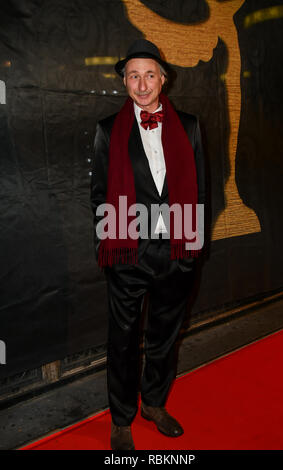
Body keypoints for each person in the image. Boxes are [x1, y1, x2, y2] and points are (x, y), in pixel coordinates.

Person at [90, 39, 205, 450]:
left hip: (176, 252)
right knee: (122, 339)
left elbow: (200, 192)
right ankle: (121, 419)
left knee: (165, 336)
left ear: (164, 79)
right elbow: (99, 195)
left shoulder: (189, 125)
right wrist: (116, 250)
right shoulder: (108, 129)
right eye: (133, 76)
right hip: (129, 253)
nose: (142, 84)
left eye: (149, 75)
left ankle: (153, 402)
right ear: (125, 81)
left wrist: (190, 250)